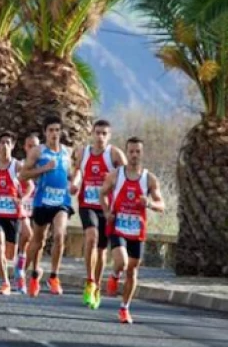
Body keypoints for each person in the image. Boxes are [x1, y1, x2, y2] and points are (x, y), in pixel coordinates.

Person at [99, 137, 165, 324]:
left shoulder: (149, 179)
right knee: (122, 261)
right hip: (118, 226)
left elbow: (162, 205)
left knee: (133, 271)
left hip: (136, 230)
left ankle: (124, 308)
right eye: (131, 151)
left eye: (138, 151)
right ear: (126, 153)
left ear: (142, 153)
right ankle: (114, 274)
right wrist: (106, 211)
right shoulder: (115, 175)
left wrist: (150, 203)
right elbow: (102, 193)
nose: (134, 155)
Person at [69, 120, 126, 309]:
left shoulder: (115, 154)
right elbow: (78, 171)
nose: (100, 137)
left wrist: (113, 182)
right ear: (92, 133)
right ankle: (90, 280)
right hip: (87, 204)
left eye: (104, 133)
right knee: (91, 237)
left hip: (106, 207)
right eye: (98, 132)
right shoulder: (83, 152)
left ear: (109, 136)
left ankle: (98, 286)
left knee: (102, 250)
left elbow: (127, 175)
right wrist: (75, 183)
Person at [19, 116, 74, 298]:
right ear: (45, 132)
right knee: (38, 241)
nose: (54, 134)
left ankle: (54, 276)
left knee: (59, 235)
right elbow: (23, 175)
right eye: (51, 130)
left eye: (57, 130)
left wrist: (75, 183)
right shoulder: (38, 152)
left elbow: (72, 174)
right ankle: (26, 275)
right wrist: (43, 169)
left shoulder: (67, 152)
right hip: (43, 201)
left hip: (61, 202)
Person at [0, 131, 29, 295]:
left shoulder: (17, 166)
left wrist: (22, 199)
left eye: (8, 142)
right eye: (2, 142)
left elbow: (29, 185)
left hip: (13, 214)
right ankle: (5, 282)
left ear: (13, 145)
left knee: (10, 254)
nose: (4, 146)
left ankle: (18, 271)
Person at [14, 133, 39, 294]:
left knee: (37, 241)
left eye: (35, 146)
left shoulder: (45, 165)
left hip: (40, 205)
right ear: (25, 147)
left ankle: (32, 274)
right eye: (29, 146)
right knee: (27, 234)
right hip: (24, 204)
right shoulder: (20, 165)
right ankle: (20, 266)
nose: (32, 149)